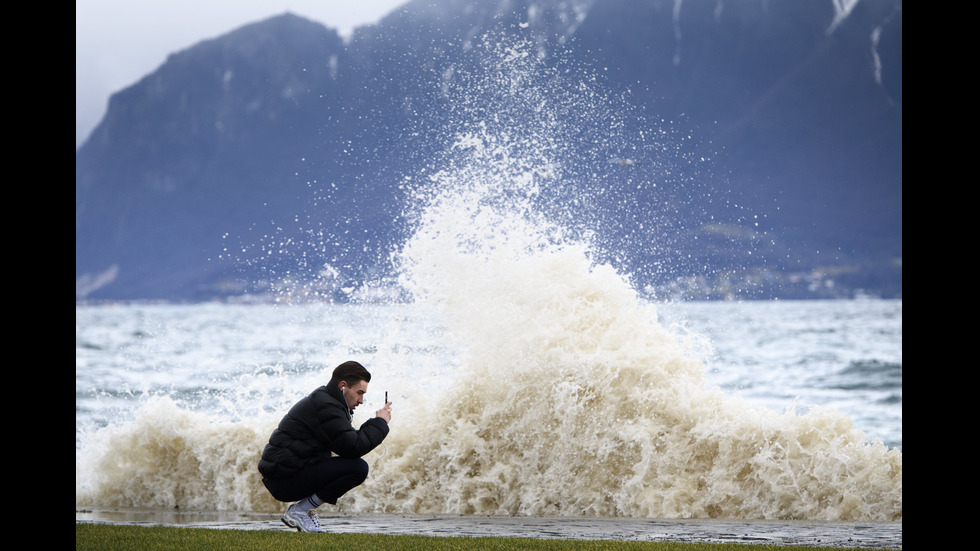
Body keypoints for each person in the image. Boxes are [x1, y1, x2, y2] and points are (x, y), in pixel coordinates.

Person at [258, 360, 392, 533]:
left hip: (285, 475)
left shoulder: (328, 401)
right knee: (357, 468)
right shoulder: (327, 406)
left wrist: (376, 423)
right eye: (359, 393)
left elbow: (347, 443)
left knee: (352, 465)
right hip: (283, 480)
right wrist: (380, 423)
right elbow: (354, 447)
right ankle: (301, 510)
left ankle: (304, 510)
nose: (361, 400)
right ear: (343, 386)